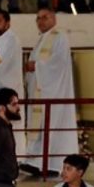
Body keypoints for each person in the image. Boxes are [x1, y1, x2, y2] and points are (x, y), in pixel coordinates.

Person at [21, 9, 78, 175]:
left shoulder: (59, 37)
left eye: (45, 18)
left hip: (54, 92)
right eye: (37, 18)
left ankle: (51, 164)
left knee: (51, 125)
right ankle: (36, 161)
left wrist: (36, 67)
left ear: (54, 19)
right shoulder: (41, 41)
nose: (40, 21)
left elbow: (58, 64)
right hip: (41, 92)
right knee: (40, 125)